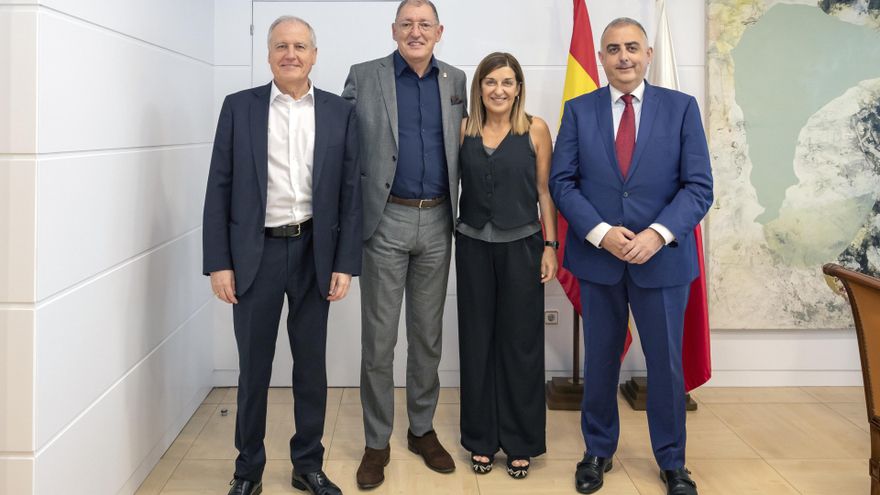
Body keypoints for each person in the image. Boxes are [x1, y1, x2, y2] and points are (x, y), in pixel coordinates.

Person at [550, 17, 713, 495]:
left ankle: (672, 462)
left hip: (662, 261)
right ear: (600, 58)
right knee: (601, 360)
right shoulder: (579, 111)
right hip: (598, 260)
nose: (623, 57)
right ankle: (597, 451)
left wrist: (657, 235)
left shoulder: (681, 109)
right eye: (614, 49)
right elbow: (563, 182)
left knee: (665, 365)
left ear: (647, 55)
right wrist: (601, 233)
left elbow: (699, 187)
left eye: (632, 48)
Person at [202, 15, 360, 495]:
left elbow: (352, 191)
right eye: (280, 46)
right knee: (254, 368)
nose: (290, 54)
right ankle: (247, 469)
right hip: (256, 255)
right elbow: (219, 187)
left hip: (315, 250)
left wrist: (345, 262)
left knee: (311, 367)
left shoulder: (339, 112)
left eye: (299, 46)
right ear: (268, 55)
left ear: (314, 54)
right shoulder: (239, 108)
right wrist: (219, 262)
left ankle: (307, 464)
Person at [341, 0, 467, 489]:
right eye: (407, 24)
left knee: (427, 336)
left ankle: (421, 429)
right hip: (384, 221)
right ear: (394, 30)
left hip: (438, 220)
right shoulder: (364, 75)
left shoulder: (456, 81)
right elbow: (344, 146)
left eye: (425, 25)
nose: (416, 32)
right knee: (379, 340)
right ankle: (377, 442)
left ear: (439, 32)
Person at [455, 52, 556, 480]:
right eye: (491, 81)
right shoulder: (463, 130)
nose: (499, 90)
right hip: (473, 246)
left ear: (518, 88)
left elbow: (544, 192)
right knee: (477, 343)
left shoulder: (535, 129)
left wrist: (550, 246)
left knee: (520, 345)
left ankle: (520, 441)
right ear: (479, 87)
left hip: (523, 247)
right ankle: (481, 439)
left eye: (508, 82)